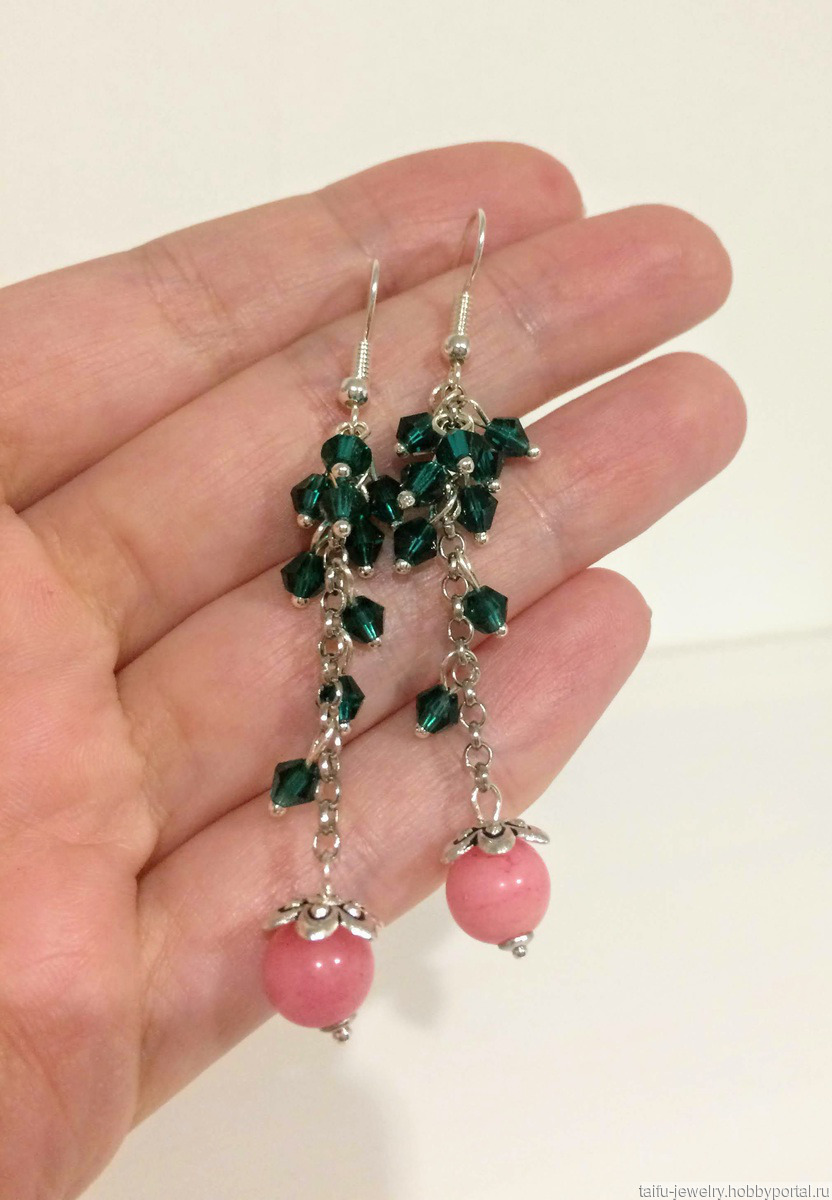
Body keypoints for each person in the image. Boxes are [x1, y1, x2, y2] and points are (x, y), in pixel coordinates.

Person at [0, 141, 744, 1199]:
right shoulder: (346, 482)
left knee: (431, 661)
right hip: (360, 505)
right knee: (358, 679)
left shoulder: (425, 468)